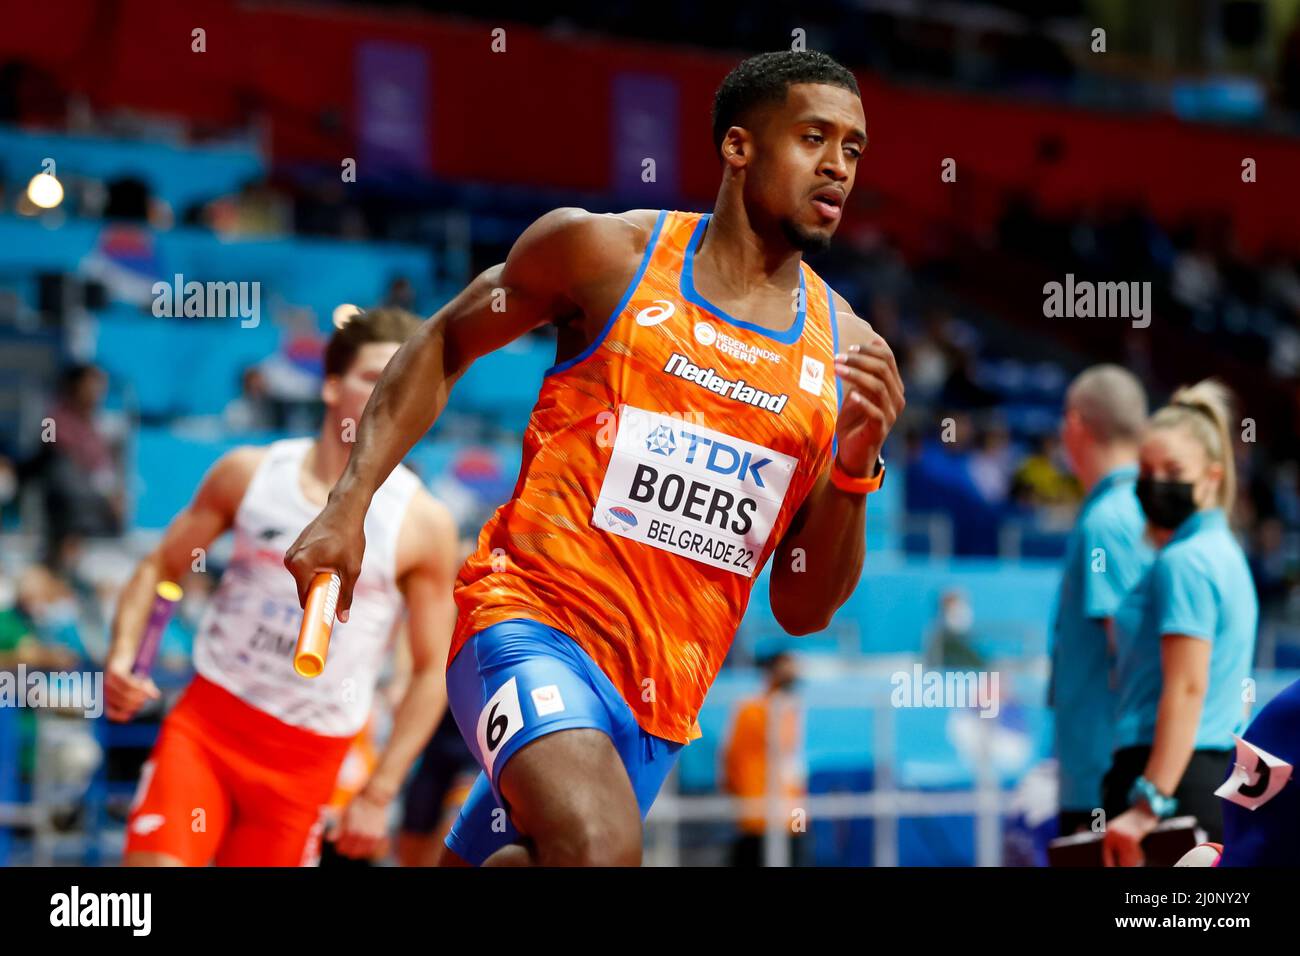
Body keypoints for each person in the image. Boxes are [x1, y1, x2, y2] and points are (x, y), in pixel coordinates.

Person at [284, 50, 904, 867]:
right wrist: (346, 504)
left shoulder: (846, 354)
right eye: (814, 137)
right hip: (526, 622)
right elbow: (443, 338)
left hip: (657, 708)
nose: (837, 166)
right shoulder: (608, 256)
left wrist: (856, 470)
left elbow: (802, 608)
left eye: (853, 149)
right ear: (738, 147)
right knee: (600, 845)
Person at [105, 307, 459, 866]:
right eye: (373, 377)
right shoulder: (249, 473)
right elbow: (158, 568)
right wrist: (126, 656)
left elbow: (430, 667)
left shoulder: (423, 524)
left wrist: (381, 787)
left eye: (401, 379)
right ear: (331, 386)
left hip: (309, 761)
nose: (387, 392)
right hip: (211, 727)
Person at [1102, 380, 1258, 866]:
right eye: (1146, 471)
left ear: (1211, 477)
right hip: (1205, 777)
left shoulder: (1185, 562)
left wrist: (1148, 804)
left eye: (1173, 471)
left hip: (1170, 782)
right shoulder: (1225, 551)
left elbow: (1187, 689)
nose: (1154, 483)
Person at [1050, 365, 1151, 835]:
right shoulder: (1138, 508)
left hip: (1105, 782)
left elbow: (1135, 658)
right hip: (1112, 775)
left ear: (1075, 425)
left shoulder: (1108, 522)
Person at [721, 651, 805, 866]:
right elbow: (732, 759)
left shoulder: (789, 711)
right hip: (759, 815)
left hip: (787, 815)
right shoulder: (754, 710)